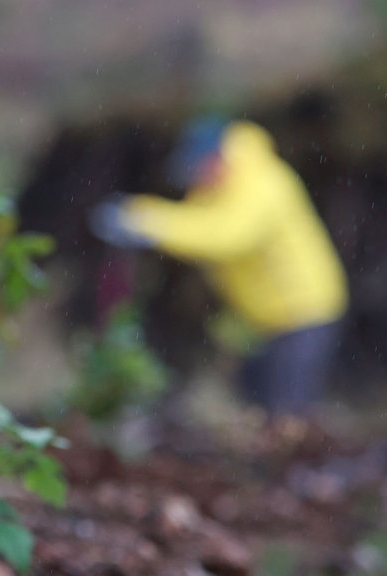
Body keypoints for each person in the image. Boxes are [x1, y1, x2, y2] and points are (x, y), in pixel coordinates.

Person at [91, 118, 348, 417]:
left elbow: (224, 236)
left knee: (287, 412)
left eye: (196, 168)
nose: (194, 178)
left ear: (217, 159)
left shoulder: (263, 182)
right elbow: (192, 222)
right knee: (257, 404)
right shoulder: (214, 191)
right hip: (264, 323)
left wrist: (147, 223)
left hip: (305, 315)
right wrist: (136, 212)